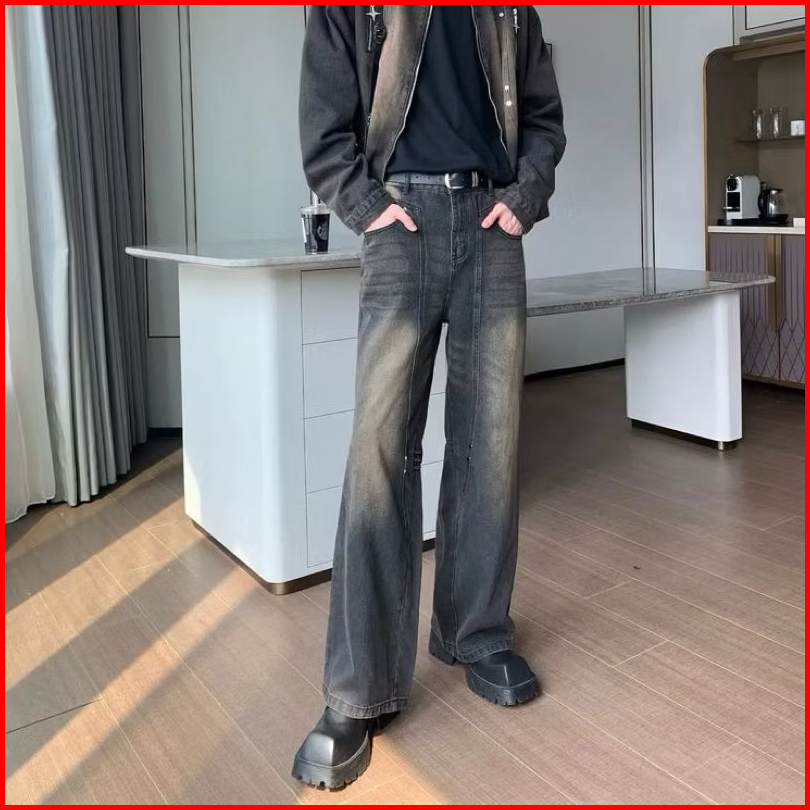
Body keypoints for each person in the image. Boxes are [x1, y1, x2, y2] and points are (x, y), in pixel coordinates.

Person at [294, 4, 565, 790]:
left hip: (492, 228)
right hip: (400, 224)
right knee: (380, 454)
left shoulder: (512, 10)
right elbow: (324, 125)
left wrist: (527, 194)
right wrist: (365, 206)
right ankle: (358, 689)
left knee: (492, 443)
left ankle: (476, 633)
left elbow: (543, 118)